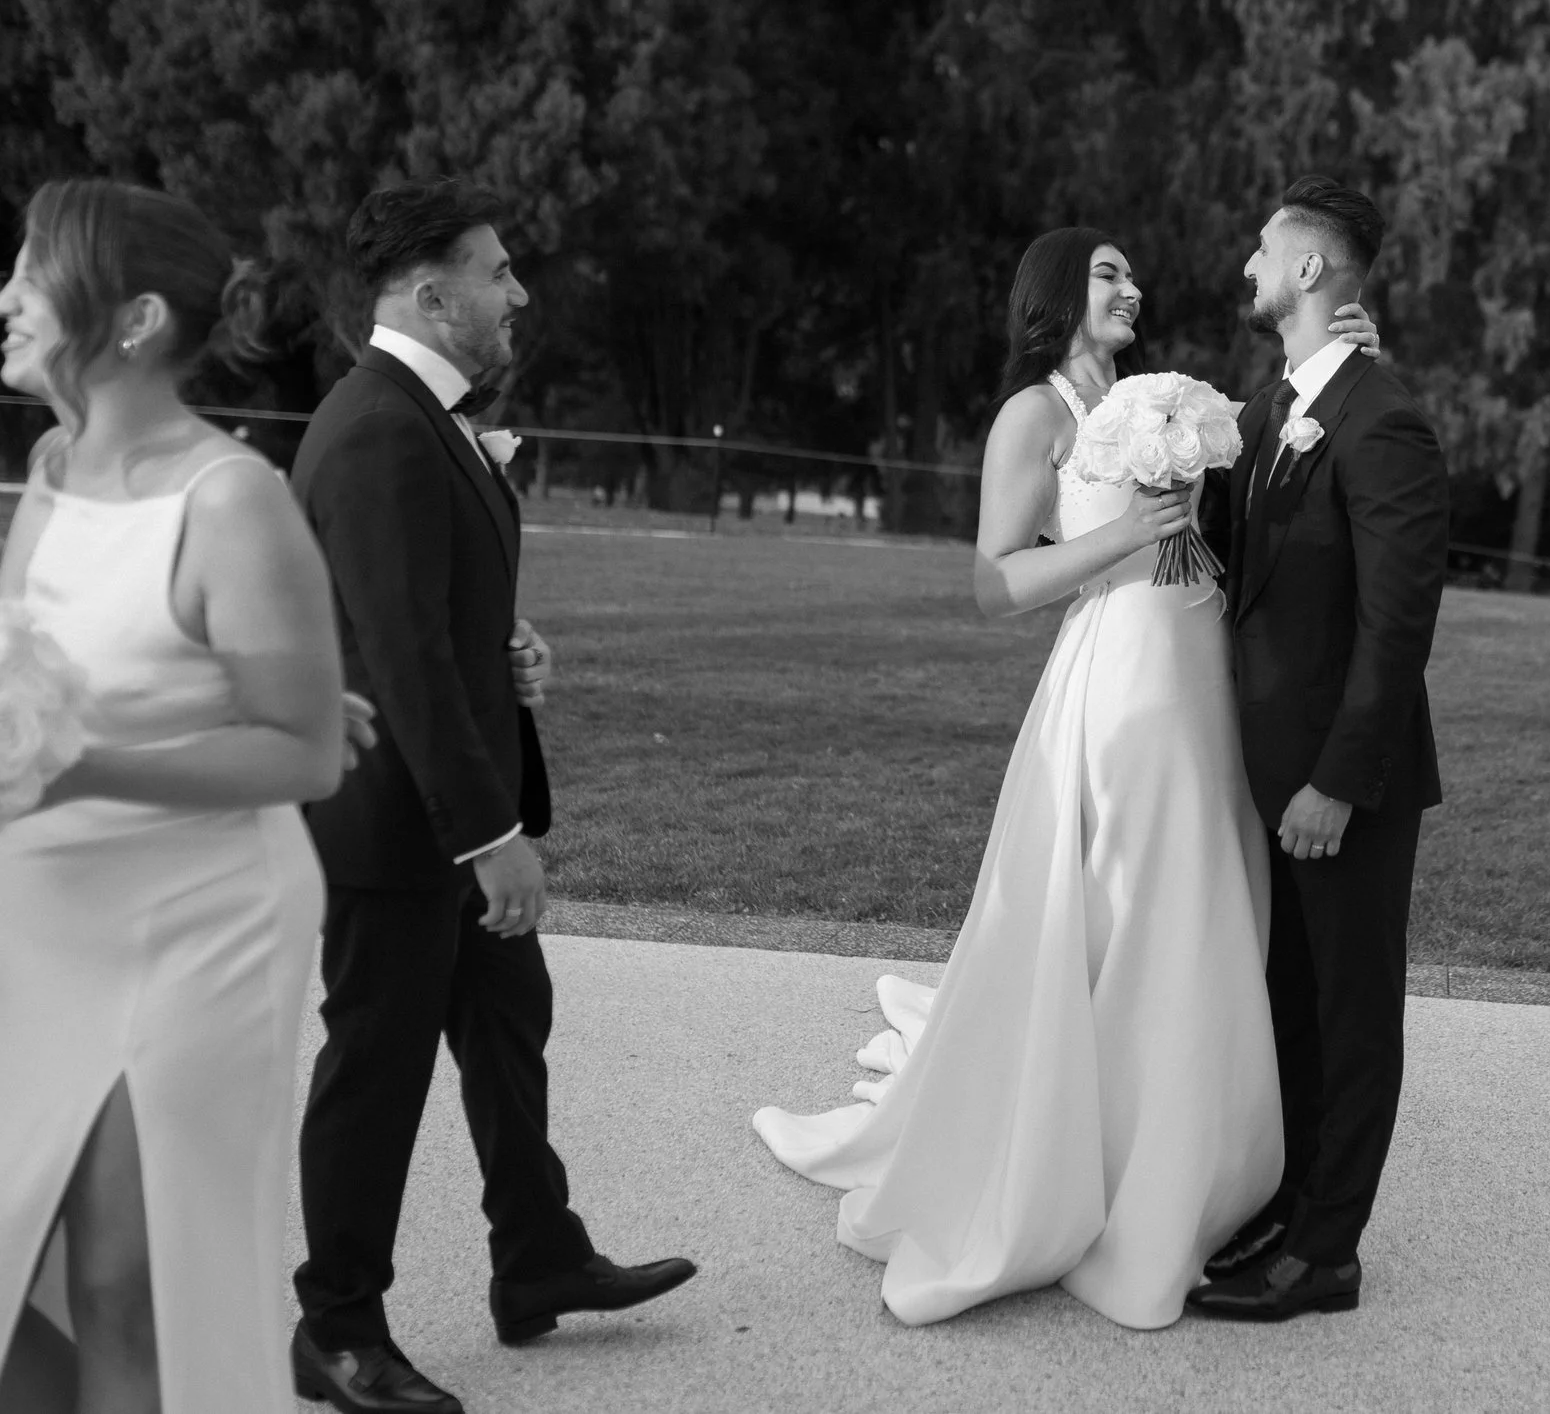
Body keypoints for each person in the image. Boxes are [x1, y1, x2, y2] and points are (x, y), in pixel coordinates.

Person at [753, 228, 1381, 1329]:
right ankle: (1089, 1165)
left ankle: (1190, 1162)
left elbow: (1228, 527)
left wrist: (1330, 365)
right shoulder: (1031, 414)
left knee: (1200, 909)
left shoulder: (1160, 402)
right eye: (1107, 273)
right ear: (1055, 294)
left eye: (1131, 274)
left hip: (1202, 675)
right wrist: (1125, 535)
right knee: (1127, 911)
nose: (1130, 287)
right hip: (1121, 682)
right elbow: (995, 582)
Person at [290, 179, 693, 1414]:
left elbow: (420, 616)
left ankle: (538, 1258)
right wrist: (489, 835)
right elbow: (396, 653)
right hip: (400, 831)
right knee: (376, 1070)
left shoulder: (427, 417)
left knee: (510, 1028)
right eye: (499, 271)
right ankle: (338, 1328)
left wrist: (503, 642)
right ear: (429, 292)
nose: (519, 293)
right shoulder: (377, 427)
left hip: (442, 818)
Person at [0, 179, 343, 1413]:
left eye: (33, 274)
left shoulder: (231, 498)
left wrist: (75, 766)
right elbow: (57, 667)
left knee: (122, 1289)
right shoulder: (51, 461)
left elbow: (305, 755)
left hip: (189, 925)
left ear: (134, 317)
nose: (5, 298)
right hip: (40, 918)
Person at [1186, 176, 1451, 1324]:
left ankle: (1328, 1250)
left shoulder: (1381, 416)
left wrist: (1338, 780)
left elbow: (1398, 621)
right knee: (1289, 1000)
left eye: (1262, 247)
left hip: (1339, 786)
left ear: (1307, 269)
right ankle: (1292, 1202)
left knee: (1349, 1012)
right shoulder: (1280, 404)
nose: (1247, 263)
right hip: (1271, 774)